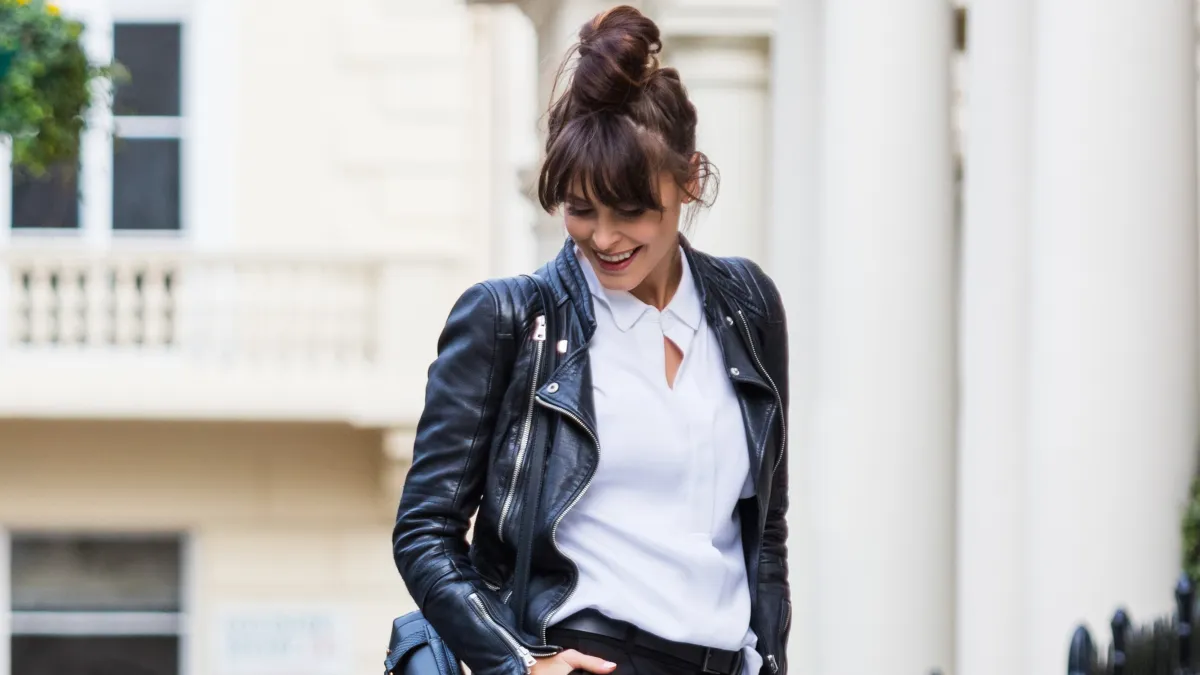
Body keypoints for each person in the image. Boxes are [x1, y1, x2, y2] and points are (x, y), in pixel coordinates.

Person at [392, 6, 790, 675]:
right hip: (585, 655)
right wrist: (520, 664)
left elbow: (766, 529)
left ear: (690, 178)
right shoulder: (511, 320)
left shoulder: (748, 305)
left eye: (631, 210)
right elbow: (424, 532)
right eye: (581, 209)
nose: (604, 238)